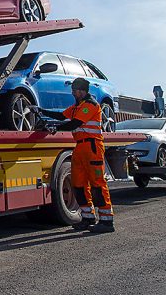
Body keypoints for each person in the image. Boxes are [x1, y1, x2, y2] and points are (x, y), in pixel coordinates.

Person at [31, 77, 115, 233]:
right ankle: (88, 218)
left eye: (75, 90)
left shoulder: (90, 105)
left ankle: (106, 221)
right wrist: (40, 110)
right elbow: (62, 116)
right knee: (78, 185)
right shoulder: (77, 106)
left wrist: (54, 128)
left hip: (92, 147)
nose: (73, 93)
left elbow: (74, 124)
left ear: (83, 91)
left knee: (97, 184)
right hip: (80, 148)